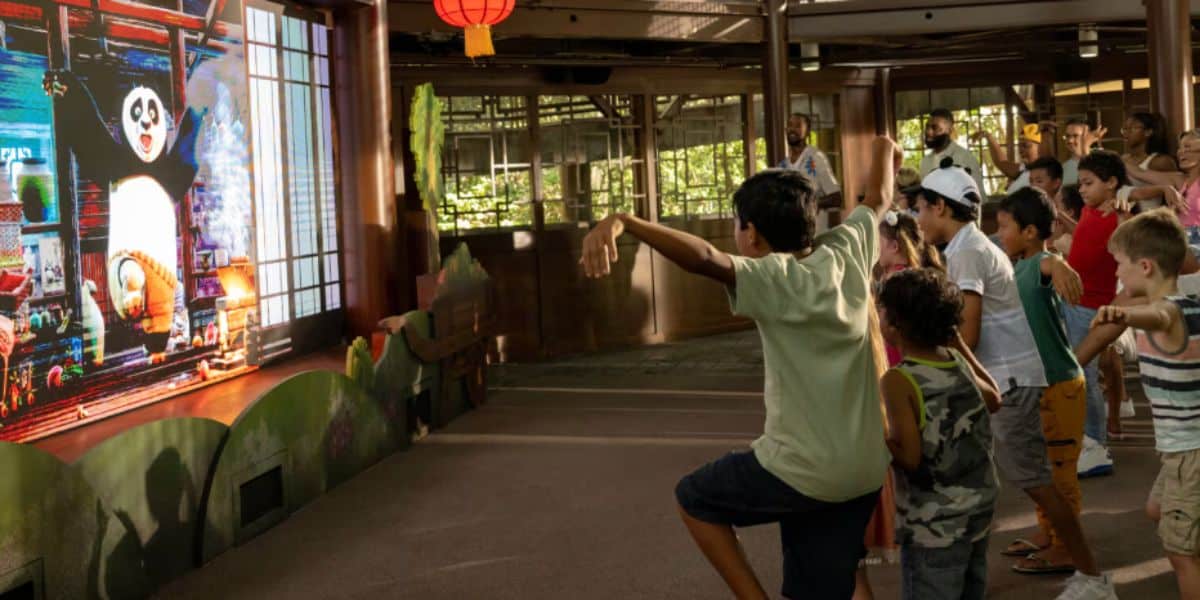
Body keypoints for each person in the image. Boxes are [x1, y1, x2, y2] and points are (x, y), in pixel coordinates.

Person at [581, 137, 901, 599]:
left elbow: (704, 259)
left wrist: (625, 220)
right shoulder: (846, 250)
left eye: (737, 226)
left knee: (695, 497)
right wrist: (885, 147)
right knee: (832, 583)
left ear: (752, 235)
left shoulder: (774, 277)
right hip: (864, 467)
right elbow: (880, 197)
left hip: (803, 469)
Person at [912, 158, 1117, 599]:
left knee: (1039, 483)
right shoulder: (968, 244)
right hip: (1005, 380)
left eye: (921, 208)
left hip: (1008, 383)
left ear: (941, 209)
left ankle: (1092, 576)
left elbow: (967, 332)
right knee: (1018, 480)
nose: (918, 218)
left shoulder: (967, 251)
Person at [1074, 209, 1200, 600]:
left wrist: (1124, 313)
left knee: (1182, 555)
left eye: (1120, 266)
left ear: (1145, 266)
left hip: (1190, 453)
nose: (1117, 276)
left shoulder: (1170, 311)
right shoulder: (1192, 303)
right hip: (1182, 451)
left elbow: (1158, 315)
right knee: (1156, 509)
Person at [876, 268, 1001, 600]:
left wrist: (877, 435)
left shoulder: (899, 380)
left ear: (894, 324)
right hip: (978, 510)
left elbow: (911, 457)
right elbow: (994, 397)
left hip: (935, 526)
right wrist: (958, 343)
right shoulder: (955, 359)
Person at [995, 187, 1091, 575]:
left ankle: (1069, 548)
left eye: (1004, 226)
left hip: (1060, 386)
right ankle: (1049, 533)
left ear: (1031, 231)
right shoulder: (1016, 267)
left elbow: (1053, 266)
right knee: (1041, 468)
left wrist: (1063, 266)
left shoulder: (1040, 264)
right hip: (1039, 385)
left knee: (1061, 475)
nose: (1000, 233)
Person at [781, 113, 842, 214]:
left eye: (798, 126)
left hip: (816, 228)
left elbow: (836, 198)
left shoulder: (816, 157)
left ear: (808, 132)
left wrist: (810, 204)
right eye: (790, 125)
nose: (792, 129)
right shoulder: (783, 166)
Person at [920, 108, 987, 198]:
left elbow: (978, 199)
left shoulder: (966, 159)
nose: (929, 132)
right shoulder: (925, 162)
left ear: (949, 130)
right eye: (927, 127)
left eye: (935, 128)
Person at [975, 123, 1044, 194]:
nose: (1021, 150)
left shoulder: (1045, 172)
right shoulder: (1022, 169)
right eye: (1019, 146)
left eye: (1025, 146)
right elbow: (1001, 162)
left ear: (1040, 147)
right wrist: (988, 136)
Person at [1062, 119, 1093, 186]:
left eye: (1075, 136)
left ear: (1087, 136)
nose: (1070, 140)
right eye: (1067, 136)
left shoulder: (1101, 158)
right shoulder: (1063, 167)